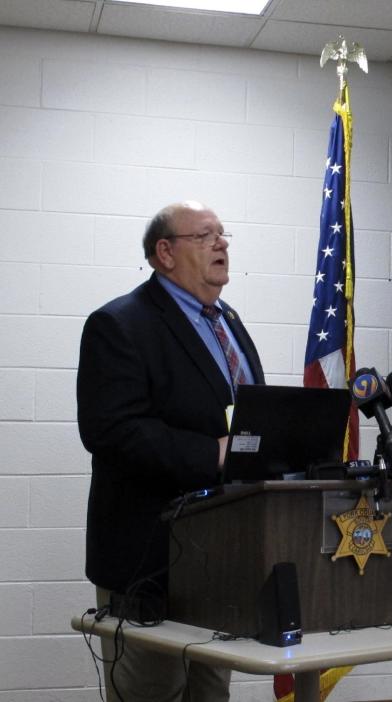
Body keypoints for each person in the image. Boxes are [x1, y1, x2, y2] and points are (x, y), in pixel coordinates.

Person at [77, 201, 265, 701]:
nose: (222, 243)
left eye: (223, 234)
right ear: (165, 252)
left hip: (220, 559)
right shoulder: (120, 324)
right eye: (205, 236)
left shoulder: (228, 321)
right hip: (149, 563)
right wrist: (214, 453)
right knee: (151, 693)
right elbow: (111, 431)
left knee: (210, 695)